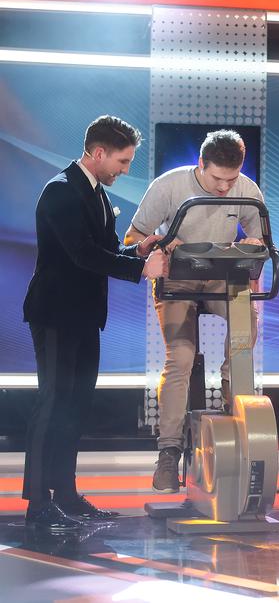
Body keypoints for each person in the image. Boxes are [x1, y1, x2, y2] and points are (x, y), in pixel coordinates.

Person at [22, 115, 167, 531]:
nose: (125, 170)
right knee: (52, 403)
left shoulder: (96, 192)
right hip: (55, 314)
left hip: (84, 316)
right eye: (122, 161)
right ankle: (38, 504)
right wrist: (141, 270)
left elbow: (105, 249)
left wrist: (138, 252)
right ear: (99, 153)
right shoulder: (61, 190)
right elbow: (82, 254)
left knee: (74, 406)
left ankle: (65, 495)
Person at [125, 129, 264, 493]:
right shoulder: (168, 186)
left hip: (221, 277)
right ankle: (168, 451)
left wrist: (253, 244)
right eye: (217, 179)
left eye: (231, 179)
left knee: (244, 332)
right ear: (201, 163)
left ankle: (239, 416)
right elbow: (132, 238)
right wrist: (159, 244)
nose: (224, 187)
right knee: (181, 357)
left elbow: (260, 242)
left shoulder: (247, 190)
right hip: (177, 280)